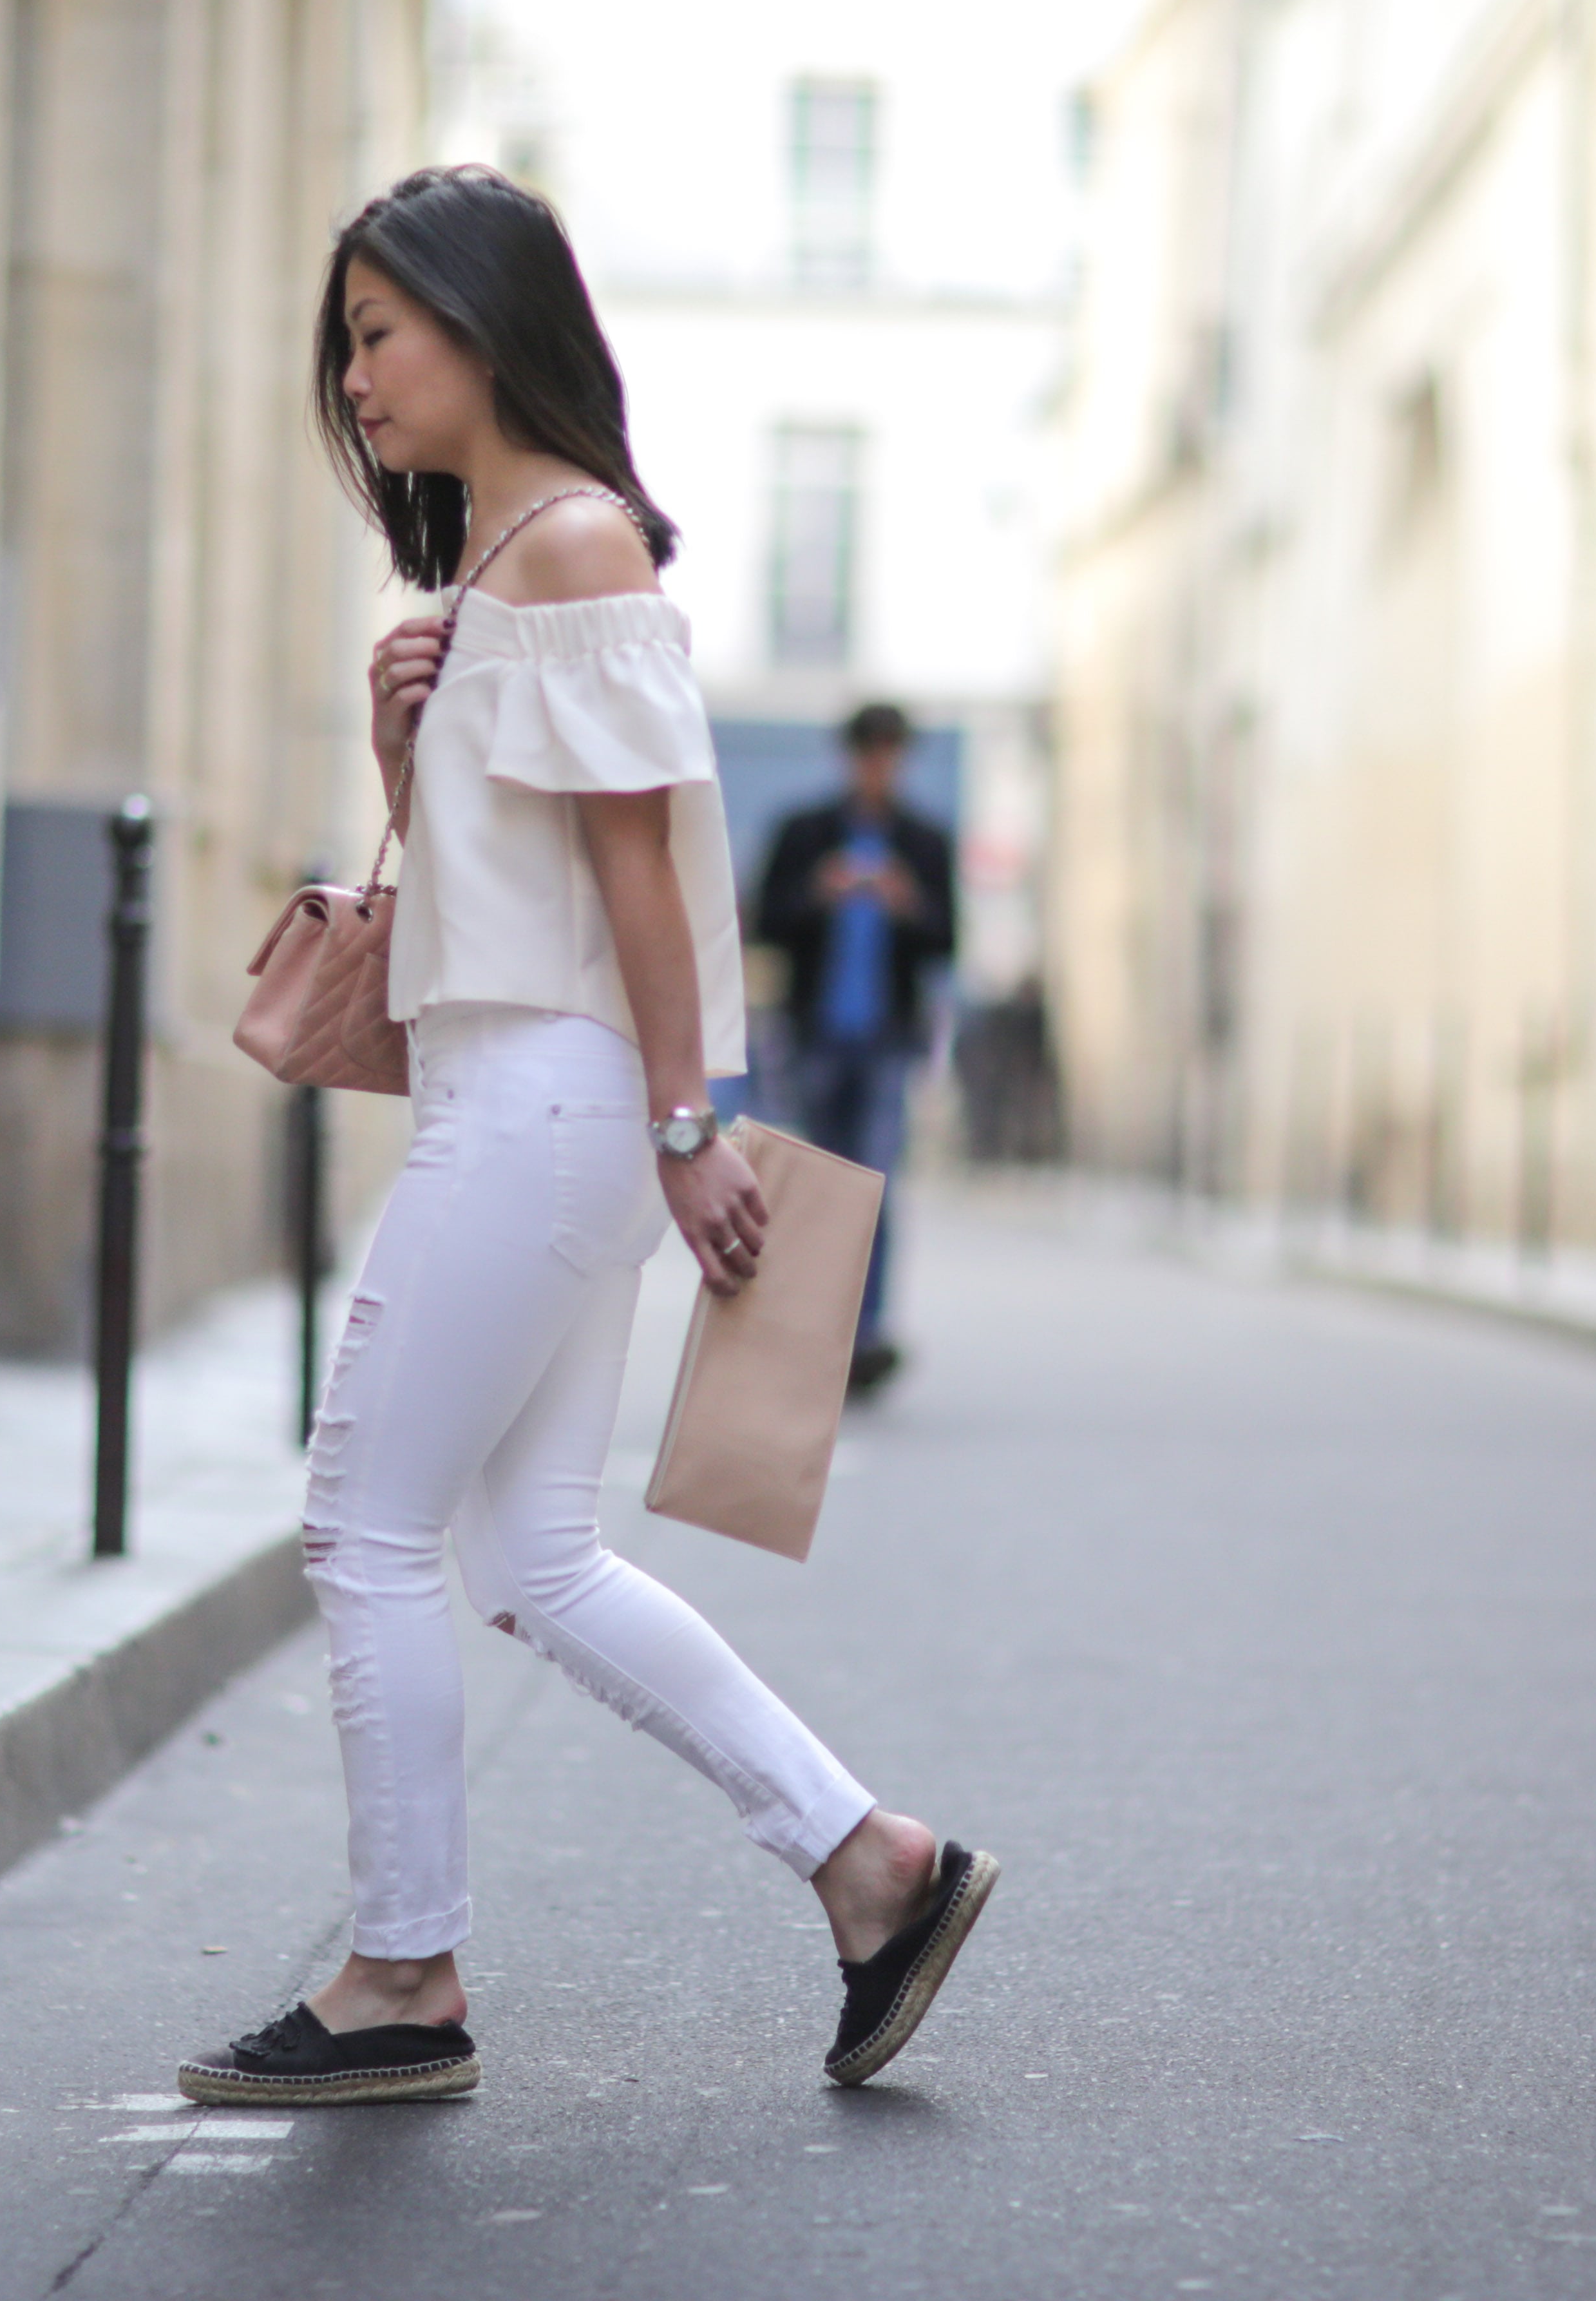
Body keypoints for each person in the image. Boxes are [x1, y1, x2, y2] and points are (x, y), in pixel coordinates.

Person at [178, 167, 996, 2108]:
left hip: (554, 1097)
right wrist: (406, 754)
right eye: (347, 341)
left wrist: (689, 1120)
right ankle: (872, 1863)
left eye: (381, 333)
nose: (356, 377)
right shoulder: (512, 565)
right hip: (522, 1087)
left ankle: (402, 1973)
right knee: (532, 1550)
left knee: (363, 1525)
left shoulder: (569, 548)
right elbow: (523, 866)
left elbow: (642, 870)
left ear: (487, 325)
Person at [752, 704, 957, 1392]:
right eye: (869, 754)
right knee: (815, 1187)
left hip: (887, 1039)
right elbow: (766, 920)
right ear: (849, 758)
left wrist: (907, 903)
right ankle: (815, 1330)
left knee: (874, 1184)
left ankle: (864, 1336)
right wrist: (819, 893)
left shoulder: (924, 841)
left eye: (890, 755)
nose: (878, 767)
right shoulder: (806, 833)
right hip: (813, 1033)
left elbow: (947, 939)